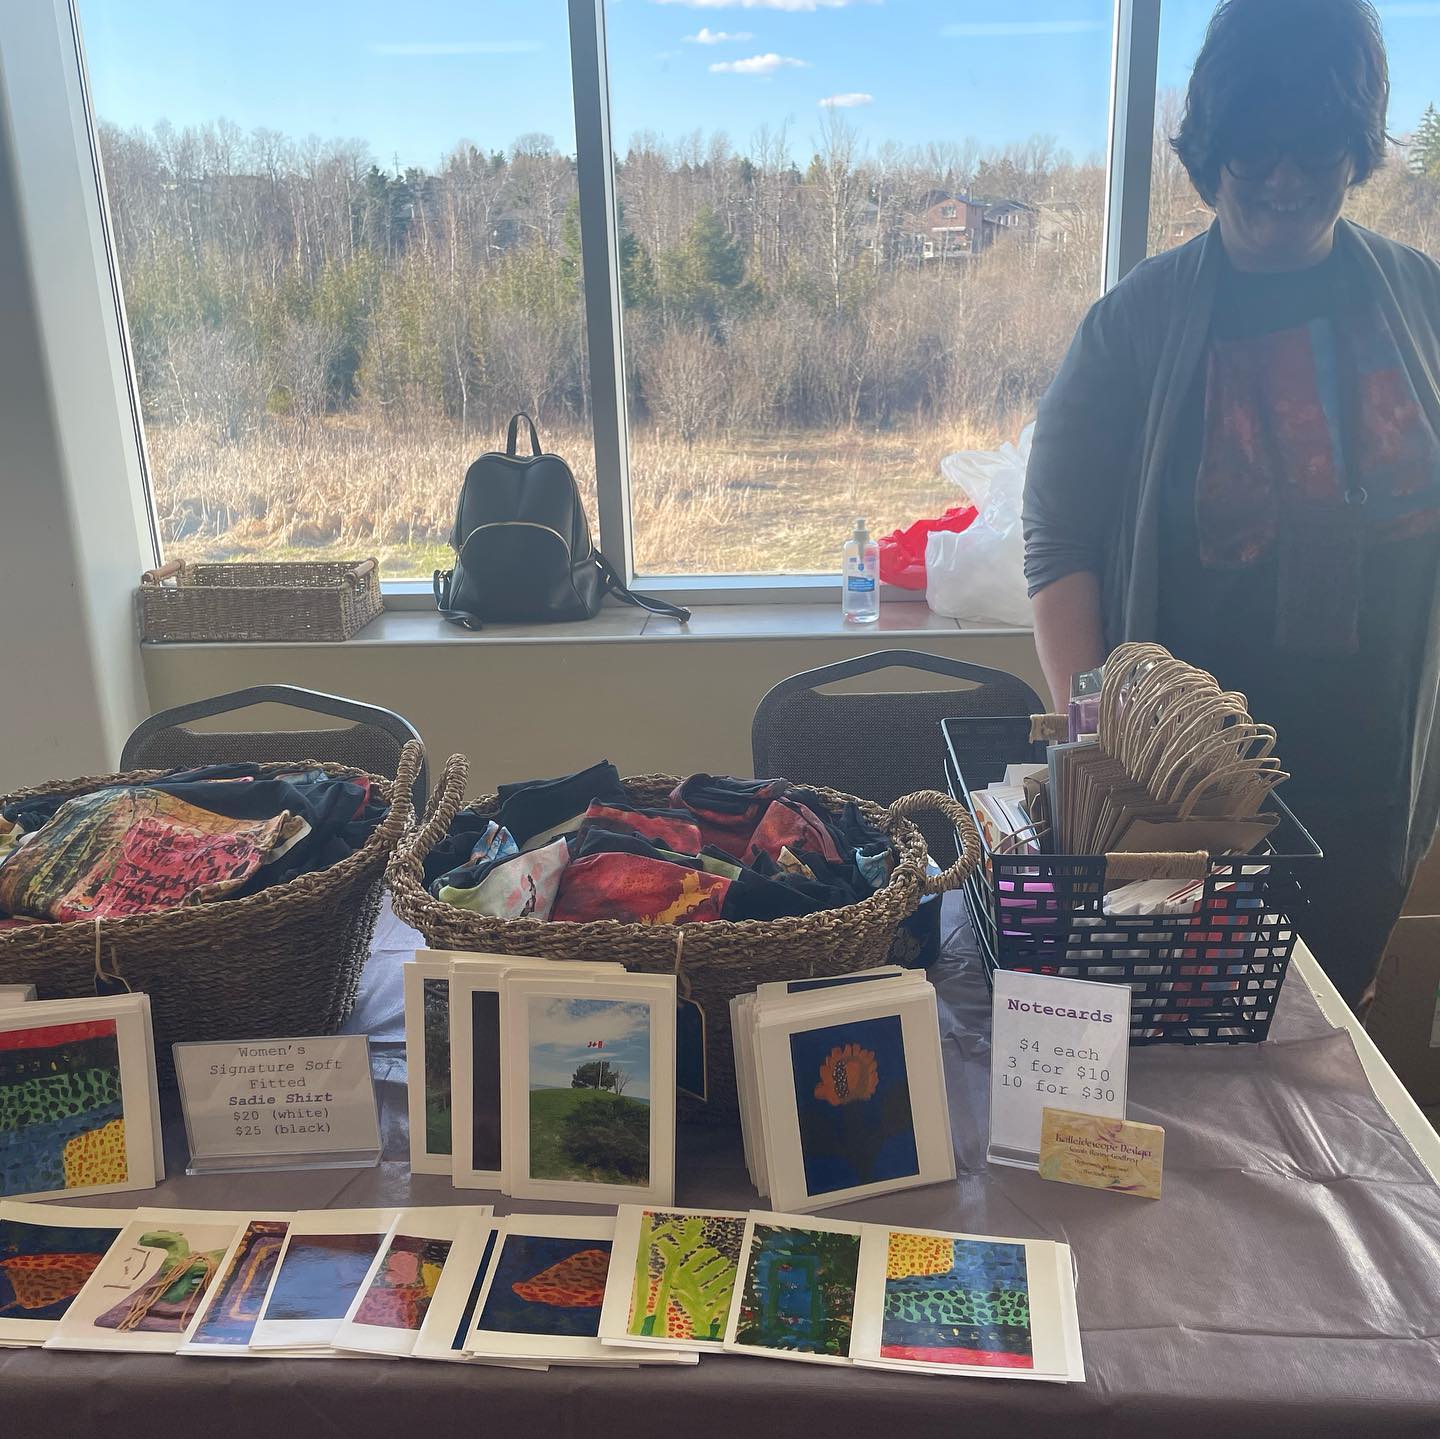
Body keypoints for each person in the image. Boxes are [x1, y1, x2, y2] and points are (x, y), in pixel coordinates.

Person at [1022, 0, 1440, 1006]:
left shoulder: (1421, 301)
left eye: (1316, 146)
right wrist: (1109, 760)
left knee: (1322, 1036)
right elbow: (1058, 541)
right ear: (1211, 150)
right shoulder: (1133, 326)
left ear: (1354, 148)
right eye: (1255, 148)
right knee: (1181, 1037)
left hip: (1374, 790)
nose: (1285, 178)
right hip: (1184, 800)